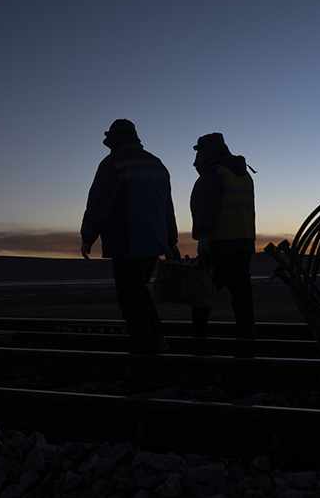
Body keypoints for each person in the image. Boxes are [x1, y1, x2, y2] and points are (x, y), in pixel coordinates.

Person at [81, 119, 180, 354]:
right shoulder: (157, 164)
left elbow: (98, 202)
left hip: (125, 239)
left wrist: (88, 236)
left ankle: (144, 343)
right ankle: (155, 340)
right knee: (139, 291)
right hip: (154, 242)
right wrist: (171, 241)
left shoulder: (113, 163)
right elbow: (167, 207)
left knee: (130, 295)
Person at [189, 132, 256, 340]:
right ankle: (246, 340)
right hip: (244, 244)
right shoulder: (244, 175)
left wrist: (203, 235)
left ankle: (199, 339)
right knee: (242, 297)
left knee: (202, 295)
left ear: (207, 152)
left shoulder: (214, 173)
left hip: (219, 245)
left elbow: (207, 206)